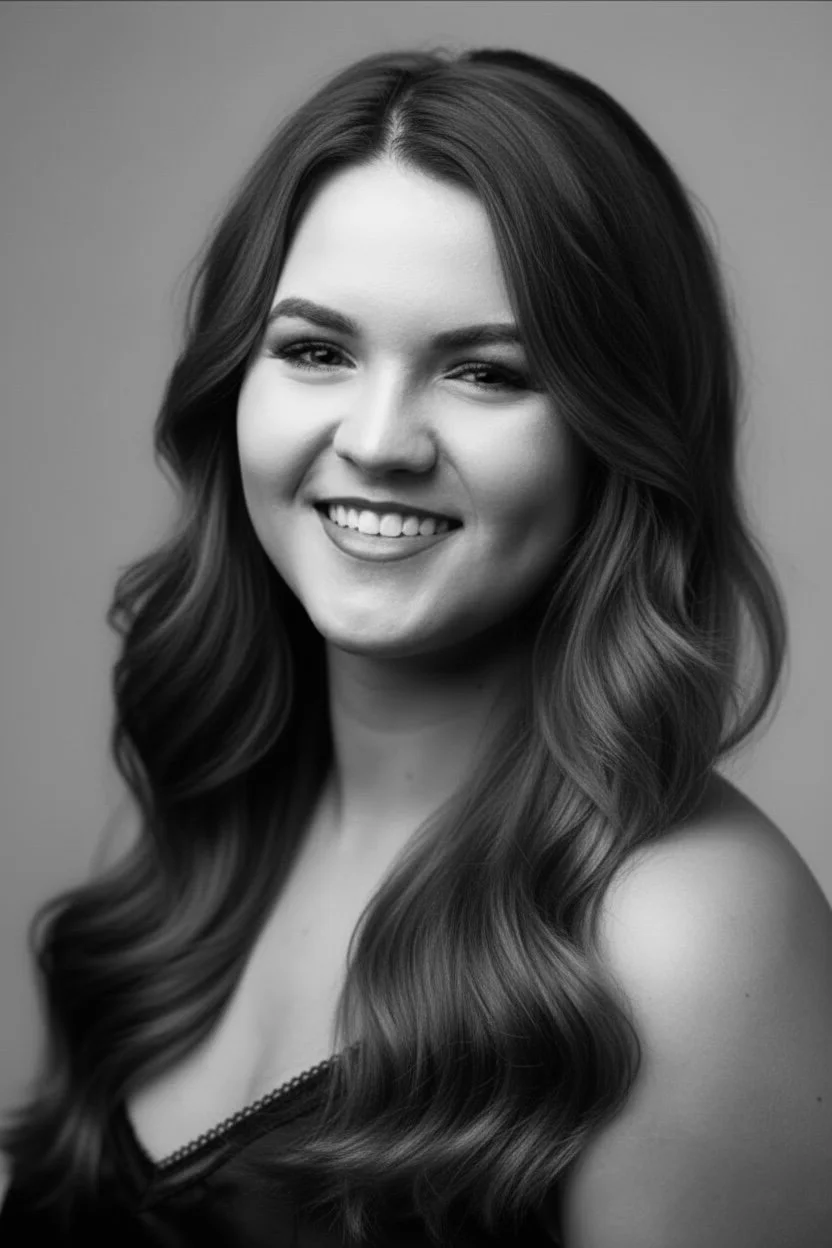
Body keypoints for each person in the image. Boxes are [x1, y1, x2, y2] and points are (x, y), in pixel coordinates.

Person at [1, 43, 830, 1248]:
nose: (380, 440)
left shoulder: (698, 935)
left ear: (619, 431)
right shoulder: (206, 810)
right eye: (316, 351)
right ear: (235, 383)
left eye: (485, 372)